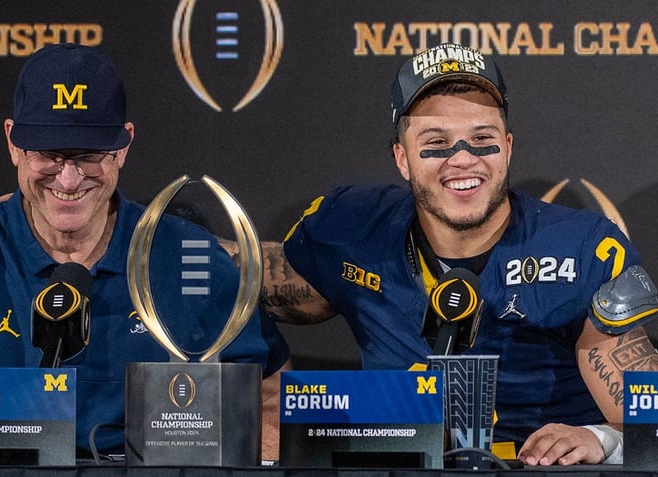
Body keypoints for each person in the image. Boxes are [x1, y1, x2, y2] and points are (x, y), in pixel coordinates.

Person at [0, 43, 291, 461]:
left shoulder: (191, 257)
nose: (70, 178)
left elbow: (269, 392)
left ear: (124, 146)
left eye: (88, 155)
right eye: (48, 154)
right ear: (12, 142)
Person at [258, 42, 658, 466]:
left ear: (507, 146)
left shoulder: (581, 247)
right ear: (402, 158)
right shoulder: (354, 230)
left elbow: (649, 417)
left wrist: (601, 439)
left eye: (481, 138)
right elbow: (239, 284)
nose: (462, 159)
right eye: (436, 142)